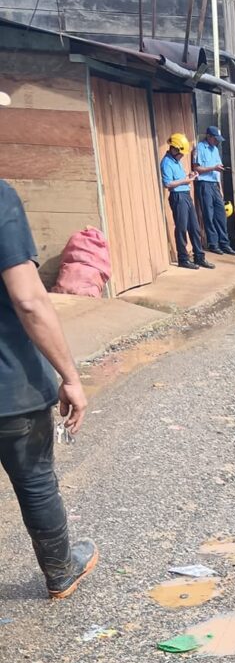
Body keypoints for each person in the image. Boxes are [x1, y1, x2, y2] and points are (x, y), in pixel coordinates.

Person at [0, 176, 96, 598]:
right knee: (35, 479)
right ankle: (60, 571)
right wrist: (70, 378)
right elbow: (29, 300)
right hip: (10, 386)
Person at [160, 133, 213, 271]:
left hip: (185, 194)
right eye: (181, 153)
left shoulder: (176, 161)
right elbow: (168, 184)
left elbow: (180, 179)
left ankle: (199, 256)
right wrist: (185, 180)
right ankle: (183, 258)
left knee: (194, 227)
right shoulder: (166, 162)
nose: (182, 156)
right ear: (175, 149)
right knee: (182, 227)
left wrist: (188, 176)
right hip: (178, 196)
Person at [193, 125, 234, 254]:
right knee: (209, 215)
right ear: (209, 136)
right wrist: (212, 168)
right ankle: (213, 243)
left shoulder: (215, 149)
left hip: (215, 184)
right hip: (204, 184)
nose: (217, 141)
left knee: (221, 214)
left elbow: (218, 170)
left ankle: (224, 243)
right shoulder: (200, 148)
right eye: (215, 139)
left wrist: (220, 187)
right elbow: (196, 168)